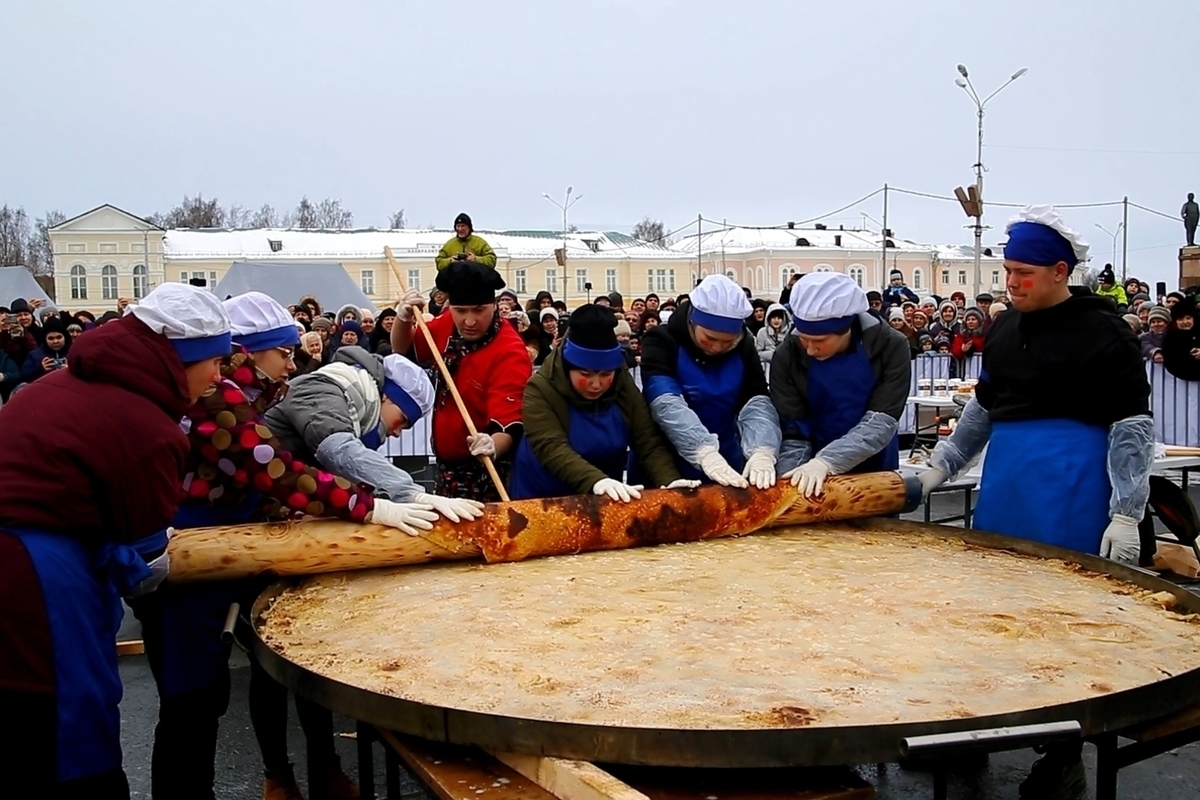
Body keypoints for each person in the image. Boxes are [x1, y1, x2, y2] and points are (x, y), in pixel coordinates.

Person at [920, 206, 1153, 799]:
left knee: (1062, 624)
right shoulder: (1002, 327)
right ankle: (974, 730)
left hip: (1071, 484)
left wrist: (1127, 510)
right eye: (1007, 269)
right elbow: (986, 406)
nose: (1011, 281)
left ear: (1059, 271)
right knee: (994, 613)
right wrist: (943, 465)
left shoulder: (1104, 331)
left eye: (1023, 271)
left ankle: (1062, 754)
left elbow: (1131, 426)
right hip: (1009, 483)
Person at [0, 283, 231, 798]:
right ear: (180, 358)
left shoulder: (62, 385)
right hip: (39, 577)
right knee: (69, 711)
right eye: (213, 362)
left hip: (30, 555)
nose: (218, 377)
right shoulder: (146, 425)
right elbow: (146, 554)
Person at [511, 305, 693, 501]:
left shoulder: (623, 384)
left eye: (605, 374)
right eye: (585, 374)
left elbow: (647, 441)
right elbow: (551, 447)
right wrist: (597, 481)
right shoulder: (540, 389)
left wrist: (668, 480)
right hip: (544, 497)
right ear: (568, 367)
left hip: (603, 496)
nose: (596, 384)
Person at [392, 261, 532, 501]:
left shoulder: (510, 351)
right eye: (460, 310)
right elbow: (402, 348)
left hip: (487, 468)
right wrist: (403, 319)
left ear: (495, 306)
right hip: (446, 467)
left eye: (479, 310)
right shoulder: (446, 324)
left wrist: (492, 444)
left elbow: (509, 426)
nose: (469, 321)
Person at [771, 273, 911, 497]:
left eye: (819, 342)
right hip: (809, 464)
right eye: (803, 338)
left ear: (845, 329)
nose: (809, 349)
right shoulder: (787, 355)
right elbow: (793, 428)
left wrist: (826, 462)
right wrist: (789, 485)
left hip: (874, 466)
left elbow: (882, 420)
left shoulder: (891, 346)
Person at [640, 274, 781, 490]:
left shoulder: (744, 346)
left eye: (727, 342)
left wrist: (762, 449)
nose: (716, 348)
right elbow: (665, 402)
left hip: (727, 458)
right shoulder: (661, 340)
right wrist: (703, 451)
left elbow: (756, 399)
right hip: (667, 463)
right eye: (710, 338)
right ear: (693, 322)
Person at [20, 316, 71, 383]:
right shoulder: (34, 355)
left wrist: (70, 370)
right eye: (51, 338)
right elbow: (23, 376)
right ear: (45, 340)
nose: (55, 341)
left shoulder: (74, 353)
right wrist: (40, 368)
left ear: (65, 337)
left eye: (59, 337)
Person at [1162, 295, 1200, 380]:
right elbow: (1172, 362)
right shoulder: (1170, 339)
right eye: (1180, 319)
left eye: (1188, 318)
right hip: (1180, 384)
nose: (1185, 322)